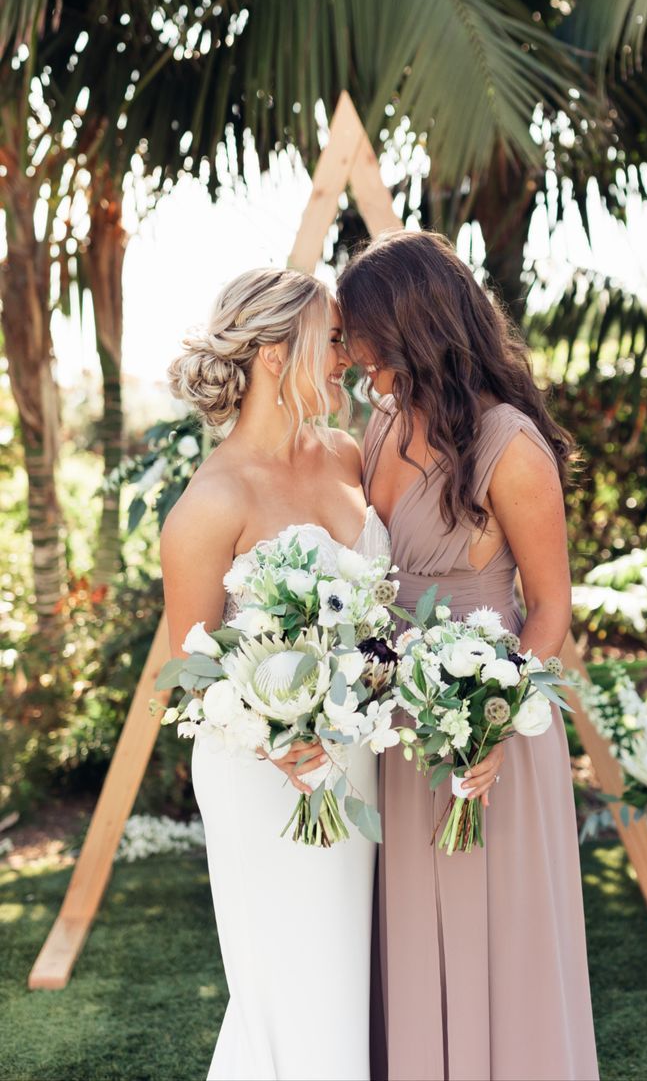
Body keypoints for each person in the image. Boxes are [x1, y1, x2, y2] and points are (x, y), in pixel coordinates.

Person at [338, 230, 598, 1081]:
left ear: (412, 324)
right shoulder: (377, 425)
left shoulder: (507, 444)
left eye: (364, 335)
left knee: (497, 933)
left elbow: (550, 601)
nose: (354, 355)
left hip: (482, 723)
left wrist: (491, 715)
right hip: (393, 722)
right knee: (404, 927)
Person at [161, 267, 390, 1081]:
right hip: (265, 777)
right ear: (271, 353)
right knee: (287, 983)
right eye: (329, 339)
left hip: (357, 757)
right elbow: (183, 665)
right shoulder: (211, 500)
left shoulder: (347, 454)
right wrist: (275, 739)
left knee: (343, 976)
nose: (345, 355)